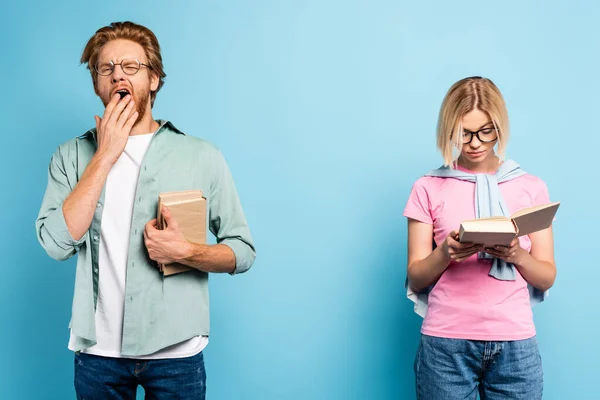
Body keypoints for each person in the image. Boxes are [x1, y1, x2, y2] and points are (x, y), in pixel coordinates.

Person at [35, 21, 255, 399]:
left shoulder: (202, 156)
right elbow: (56, 245)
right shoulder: (70, 157)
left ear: (153, 79)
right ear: (98, 84)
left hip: (176, 354)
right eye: (106, 68)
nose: (118, 74)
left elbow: (243, 252)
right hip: (97, 354)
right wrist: (104, 157)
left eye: (131, 66)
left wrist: (187, 251)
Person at [403, 76, 556, 399]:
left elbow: (546, 277)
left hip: (516, 346)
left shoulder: (531, 186)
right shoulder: (427, 187)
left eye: (486, 131)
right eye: (464, 132)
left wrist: (516, 254)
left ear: (500, 126)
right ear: (449, 129)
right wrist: (446, 252)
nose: (474, 142)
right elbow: (415, 278)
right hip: (446, 346)